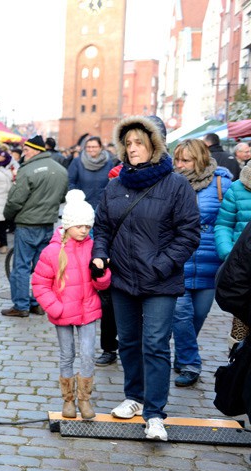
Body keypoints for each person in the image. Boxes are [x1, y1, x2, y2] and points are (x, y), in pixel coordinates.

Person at [92, 116, 200, 442]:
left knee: (154, 344)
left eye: (139, 142)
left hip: (159, 281)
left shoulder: (176, 185)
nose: (133, 149)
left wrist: (162, 265)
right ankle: (134, 397)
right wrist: (99, 253)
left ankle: (154, 413)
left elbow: (189, 234)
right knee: (128, 342)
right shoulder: (115, 186)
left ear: (153, 144)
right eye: (128, 144)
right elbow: (103, 228)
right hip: (123, 278)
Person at [32, 190, 111, 420]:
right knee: (67, 354)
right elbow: (40, 284)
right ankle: (68, 400)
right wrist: (57, 308)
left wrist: (101, 274)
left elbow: (103, 284)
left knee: (87, 354)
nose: (84, 230)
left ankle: (85, 399)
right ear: (67, 225)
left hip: (88, 312)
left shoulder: (93, 247)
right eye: (79, 226)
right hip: (63, 313)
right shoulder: (53, 251)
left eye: (87, 226)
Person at [170, 139, 232, 387]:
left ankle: (183, 356)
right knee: (181, 314)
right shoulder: (171, 183)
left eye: (186, 160)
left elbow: (228, 220)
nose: (180, 165)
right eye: (178, 160)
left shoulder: (221, 183)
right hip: (179, 262)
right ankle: (191, 363)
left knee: (198, 316)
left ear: (200, 159)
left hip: (210, 262)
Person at [1, 135, 68, 317]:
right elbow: (62, 197)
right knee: (42, 268)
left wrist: (7, 216)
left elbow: (15, 200)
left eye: (27, 150)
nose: (25, 153)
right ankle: (38, 303)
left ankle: (21, 306)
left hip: (27, 224)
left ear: (37, 151)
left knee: (21, 266)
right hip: (47, 224)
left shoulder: (27, 170)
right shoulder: (61, 170)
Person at [215, 163, 251, 346]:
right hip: (244, 272)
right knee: (240, 337)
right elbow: (224, 224)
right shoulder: (239, 187)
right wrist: (229, 254)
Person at [67, 136, 112, 211]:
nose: (91, 149)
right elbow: (70, 181)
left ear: (100, 147)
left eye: (94, 147)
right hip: (82, 206)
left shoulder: (108, 163)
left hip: (103, 206)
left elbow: (112, 183)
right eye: (88, 147)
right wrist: (76, 199)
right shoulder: (77, 162)